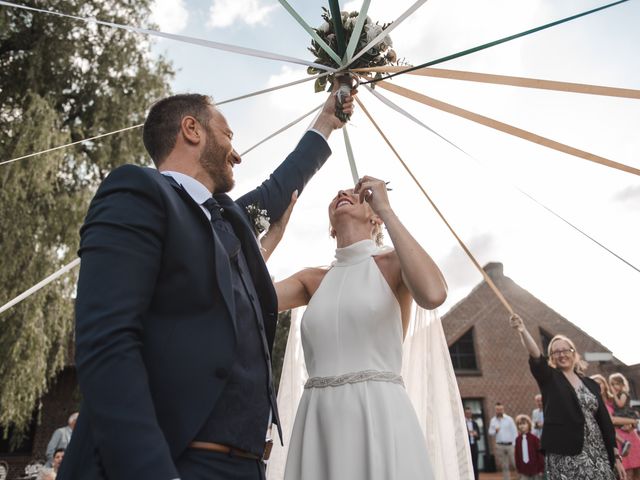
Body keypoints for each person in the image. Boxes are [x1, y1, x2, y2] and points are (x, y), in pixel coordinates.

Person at [58, 90, 353, 480]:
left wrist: (327, 121)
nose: (237, 152)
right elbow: (107, 341)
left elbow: (280, 187)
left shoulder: (229, 220)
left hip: (247, 465)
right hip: (173, 461)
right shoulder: (139, 193)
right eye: (228, 135)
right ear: (192, 129)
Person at [272, 176, 449, 479]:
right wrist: (272, 233)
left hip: (378, 414)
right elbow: (242, 296)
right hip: (319, 418)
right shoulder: (311, 280)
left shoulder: (394, 264)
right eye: (336, 193)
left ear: (374, 218)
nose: (342, 192)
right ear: (330, 226)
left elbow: (434, 294)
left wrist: (388, 210)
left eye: (355, 194)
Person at [509, 314, 626, 480]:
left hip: (597, 451)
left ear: (574, 353)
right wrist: (523, 330)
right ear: (551, 357)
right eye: (556, 352)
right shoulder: (550, 378)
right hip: (565, 453)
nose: (561, 354)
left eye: (565, 350)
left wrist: (616, 456)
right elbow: (536, 356)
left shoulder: (591, 384)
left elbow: (605, 422)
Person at [592, 374, 640, 480]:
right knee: (627, 474)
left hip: (631, 435)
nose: (597, 385)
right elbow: (611, 420)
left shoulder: (614, 399)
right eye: (594, 383)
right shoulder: (595, 403)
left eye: (599, 383)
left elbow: (628, 411)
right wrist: (633, 421)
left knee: (638, 471)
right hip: (618, 440)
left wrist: (631, 424)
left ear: (605, 385)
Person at [488, 402, 518, 480]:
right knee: (504, 466)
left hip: (510, 445)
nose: (499, 411)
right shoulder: (493, 420)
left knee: (515, 463)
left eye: (500, 409)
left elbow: (514, 432)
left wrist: (515, 444)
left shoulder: (509, 419)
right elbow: (490, 432)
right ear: (495, 410)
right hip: (500, 445)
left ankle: (520, 478)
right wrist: (495, 431)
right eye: (497, 409)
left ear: (503, 409)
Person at [514, 414, 544, 480]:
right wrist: (518, 469)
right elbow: (517, 455)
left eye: (524, 423)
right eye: (519, 424)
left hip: (536, 469)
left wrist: (541, 469)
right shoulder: (517, 440)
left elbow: (540, 455)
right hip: (523, 470)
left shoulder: (534, 439)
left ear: (529, 425)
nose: (522, 426)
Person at [465, 406, 481, 480]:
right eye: (467, 413)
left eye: (470, 413)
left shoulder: (475, 423)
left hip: (474, 446)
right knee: (467, 464)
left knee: (475, 465)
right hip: (466, 447)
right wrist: (468, 433)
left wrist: (476, 434)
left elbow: (479, 437)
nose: (468, 414)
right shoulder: (463, 423)